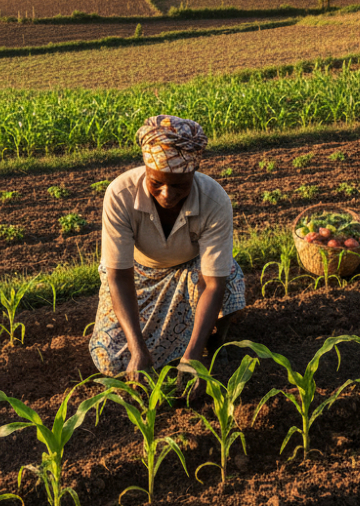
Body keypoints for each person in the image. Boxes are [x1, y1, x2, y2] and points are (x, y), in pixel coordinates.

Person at [88, 115, 245, 379]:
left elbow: (212, 283)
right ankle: (158, 349)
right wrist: (137, 350)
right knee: (110, 360)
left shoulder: (214, 200)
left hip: (190, 271)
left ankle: (211, 344)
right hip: (137, 275)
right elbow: (118, 277)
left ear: (193, 174)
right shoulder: (120, 194)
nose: (167, 195)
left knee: (230, 279)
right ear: (146, 170)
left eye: (179, 186)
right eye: (156, 183)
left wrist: (193, 359)